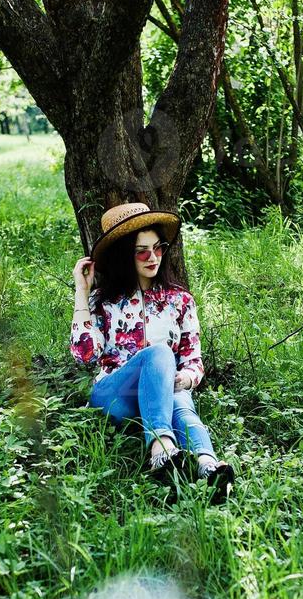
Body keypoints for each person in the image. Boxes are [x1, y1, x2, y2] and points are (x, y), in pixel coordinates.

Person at [69, 202, 236, 502]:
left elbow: (193, 360)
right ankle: (160, 449)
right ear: (124, 255)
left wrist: (183, 380)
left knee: (183, 405)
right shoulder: (103, 302)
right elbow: (85, 355)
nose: (153, 257)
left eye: (158, 248)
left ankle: (209, 468)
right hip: (116, 397)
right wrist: (82, 292)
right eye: (142, 251)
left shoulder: (179, 300)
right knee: (160, 355)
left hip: (167, 395)